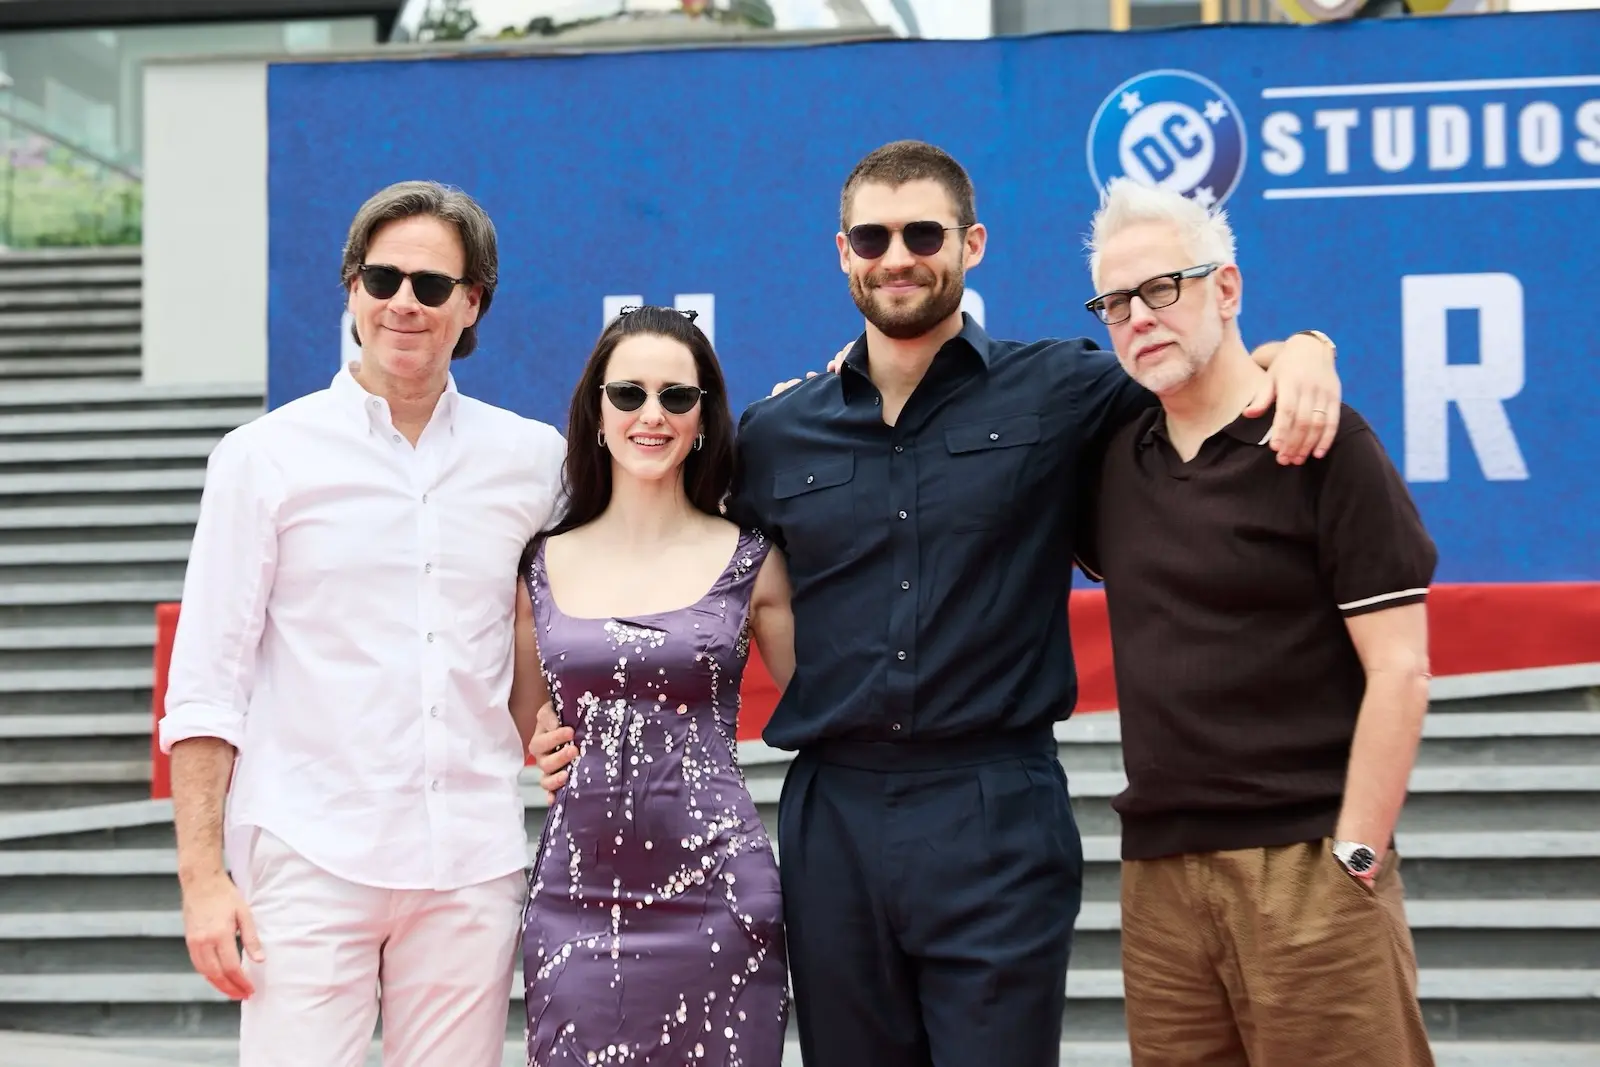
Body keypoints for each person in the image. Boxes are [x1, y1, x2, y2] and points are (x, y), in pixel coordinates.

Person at [533, 139, 1343, 1067]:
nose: (898, 256)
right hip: (834, 819)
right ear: (843, 254)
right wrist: (582, 712)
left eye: (924, 232)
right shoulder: (774, 432)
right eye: (872, 237)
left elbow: (1200, 374)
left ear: (973, 244)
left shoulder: (1062, 389)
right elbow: (676, 558)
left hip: (996, 806)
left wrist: (1302, 350)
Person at [160, 181, 567, 1067]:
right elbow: (205, 685)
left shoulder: (535, 461)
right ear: (351, 289)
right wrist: (202, 878)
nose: (402, 304)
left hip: (470, 857)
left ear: (473, 303)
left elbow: (575, 616)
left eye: (431, 285)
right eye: (382, 279)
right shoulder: (262, 458)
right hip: (308, 853)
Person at [1074, 179, 1436, 1066]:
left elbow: (1401, 669)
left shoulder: (1323, 440)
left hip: (1308, 865)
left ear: (1225, 288)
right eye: (1116, 301)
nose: (1139, 316)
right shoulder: (1113, 463)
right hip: (1159, 881)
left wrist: (1356, 852)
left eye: (1164, 287)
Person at [512, 305, 796, 1067]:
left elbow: (829, 703)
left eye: (677, 396)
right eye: (628, 393)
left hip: (720, 900)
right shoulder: (538, 564)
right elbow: (526, 718)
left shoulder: (754, 558)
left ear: (703, 418)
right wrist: (541, 741)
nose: (652, 414)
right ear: (596, 411)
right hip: (573, 906)